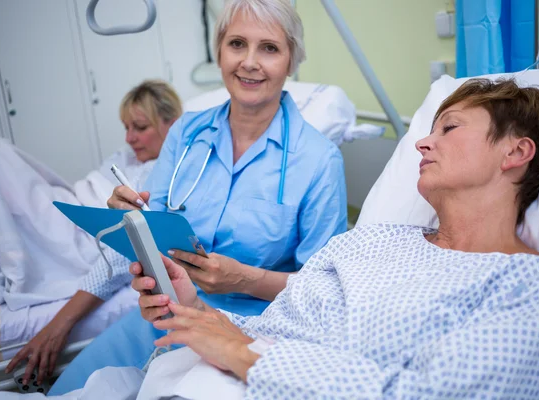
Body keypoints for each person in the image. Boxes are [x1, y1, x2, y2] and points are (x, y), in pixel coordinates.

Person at [122, 78, 539, 398]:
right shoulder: (369, 241)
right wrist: (193, 308)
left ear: (516, 151)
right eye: (429, 131)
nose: (423, 144)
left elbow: (432, 394)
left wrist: (246, 357)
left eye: (449, 129)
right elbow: (275, 329)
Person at [48, 0, 347, 394]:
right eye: (237, 44)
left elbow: (322, 290)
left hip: (251, 328)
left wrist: (246, 279)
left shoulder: (318, 161)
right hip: (166, 310)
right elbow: (153, 231)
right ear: (220, 50)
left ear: (292, 60)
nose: (250, 62)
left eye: (270, 48)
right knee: (67, 390)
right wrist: (130, 220)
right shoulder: (186, 134)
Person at [3, 79, 183, 385]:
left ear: (172, 125)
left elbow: (119, 248)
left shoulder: (163, 173)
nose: (129, 138)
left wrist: (60, 323)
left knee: (0, 159)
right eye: (126, 127)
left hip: (80, 237)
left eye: (139, 127)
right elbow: (87, 191)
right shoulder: (122, 160)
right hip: (73, 206)